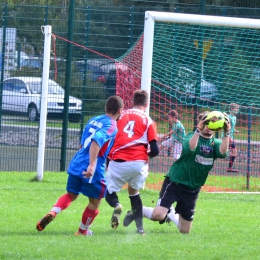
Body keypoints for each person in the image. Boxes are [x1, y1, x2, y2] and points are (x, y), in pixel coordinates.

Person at [128, 111, 231, 234]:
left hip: (193, 189)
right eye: (207, 123)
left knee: (184, 230)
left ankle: (170, 213)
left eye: (212, 124)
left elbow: (223, 153)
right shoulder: (190, 136)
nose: (209, 127)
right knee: (158, 215)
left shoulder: (215, 143)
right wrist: (198, 131)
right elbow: (191, 148)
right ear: (201, 123)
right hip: (175, 183)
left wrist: (226, 132)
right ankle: (137, 210)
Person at [36, 95, 124, 236]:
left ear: (105, 108)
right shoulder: (112, 126)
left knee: (71, 194)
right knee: (95, 202)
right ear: (120, 110)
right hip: (92, 167)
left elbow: (83, 144)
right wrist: (92, 165)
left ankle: (53, 212)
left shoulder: (93, 120)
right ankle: (82, 231)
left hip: (77, 162)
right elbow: (96, 141)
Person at [105, 89, 159, 235]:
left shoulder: (121, 115)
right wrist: (145, 155)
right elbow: (155, 150)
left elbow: (110, 136)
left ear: (132, 102)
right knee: (134, 193)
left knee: (109, 192)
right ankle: (140, 229)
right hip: (138, 163)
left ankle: (117, 205)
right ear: (146, 104)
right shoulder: (148, 120)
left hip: (118, 161)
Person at [226, 103, 240, 173]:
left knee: (232, 152)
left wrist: (235, 130)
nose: (237, 110)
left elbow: (232, 127)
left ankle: (229, 167)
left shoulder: (234, 117)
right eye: (236, 109)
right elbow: (226, 127)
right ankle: (229, 168)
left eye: (238, 109)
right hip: (226, 136)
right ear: (232, 109)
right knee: (234, 151)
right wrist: (228, 137)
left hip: (231, 136)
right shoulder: (228, 117)